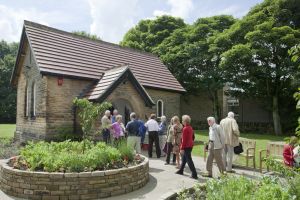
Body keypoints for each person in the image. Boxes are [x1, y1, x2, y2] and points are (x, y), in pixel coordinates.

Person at [175, 115, 198, 179]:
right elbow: (193, 137)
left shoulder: (185, 128)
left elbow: (184, 140)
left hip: (186, 146)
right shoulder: (190, 127)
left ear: (185, 121)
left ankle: (194, 174)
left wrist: (182, 148)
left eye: (182, 120)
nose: (182, 121)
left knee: (189, 160)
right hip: (190, 145)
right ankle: (181, 170)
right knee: (184, 159)